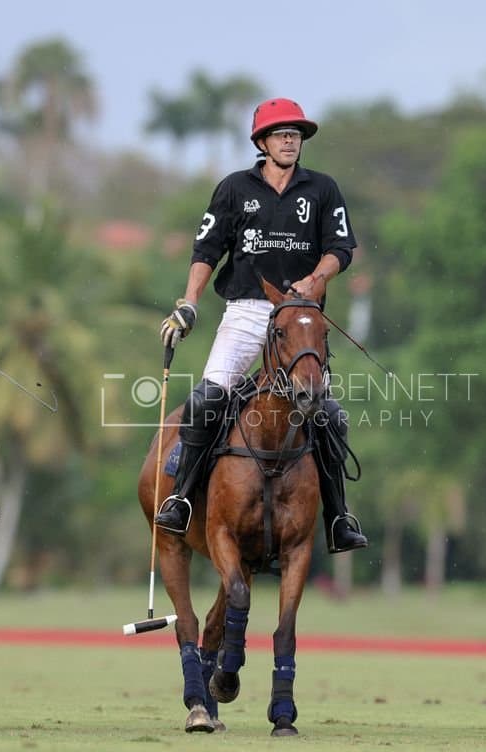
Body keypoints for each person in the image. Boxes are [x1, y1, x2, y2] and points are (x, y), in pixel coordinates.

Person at [153, 97, 367, 554]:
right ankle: (181, 499)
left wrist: (316, 279)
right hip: (248, 311)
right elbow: (206, 252)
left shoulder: (322, 189)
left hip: (302, 314)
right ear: (262, 141)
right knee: (207, 399)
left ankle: (339, 517)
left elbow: (341, 248)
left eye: (296, 134)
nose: (290, 140)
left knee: (328, 415)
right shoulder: (234, 189)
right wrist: (188, 303)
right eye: (281, 134)